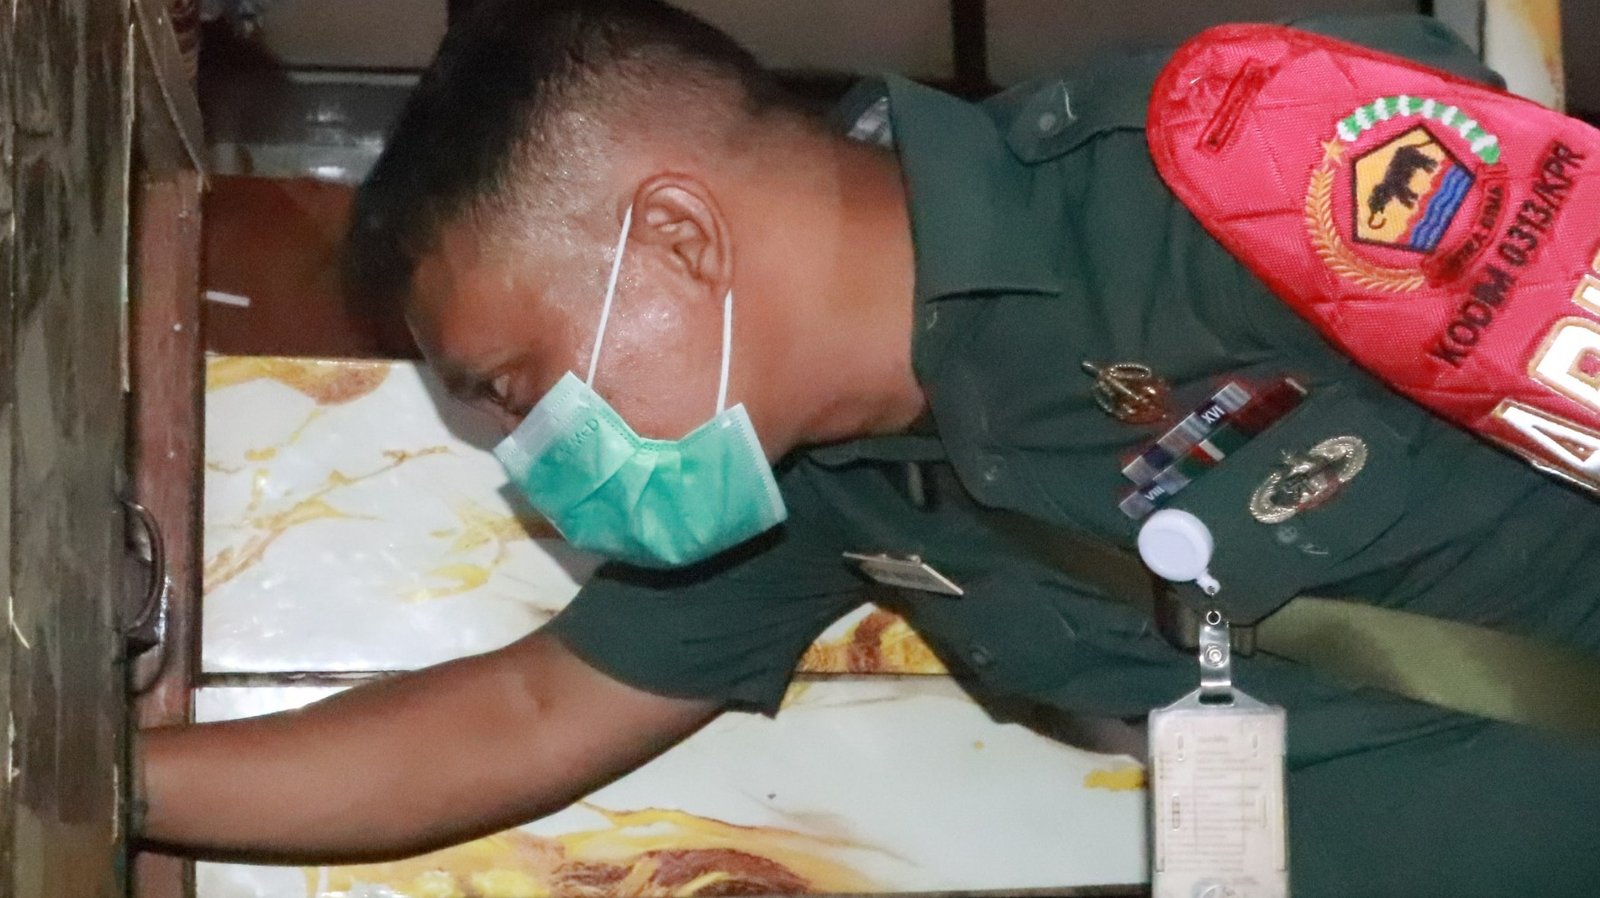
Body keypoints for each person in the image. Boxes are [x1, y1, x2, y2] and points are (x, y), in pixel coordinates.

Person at [139, 1, 1600, 894]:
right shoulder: (831, 494)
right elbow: (524, 714)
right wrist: (89, 780)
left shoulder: (1213, 171)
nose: (534, 457)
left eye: (519, 387)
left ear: (677, 236)